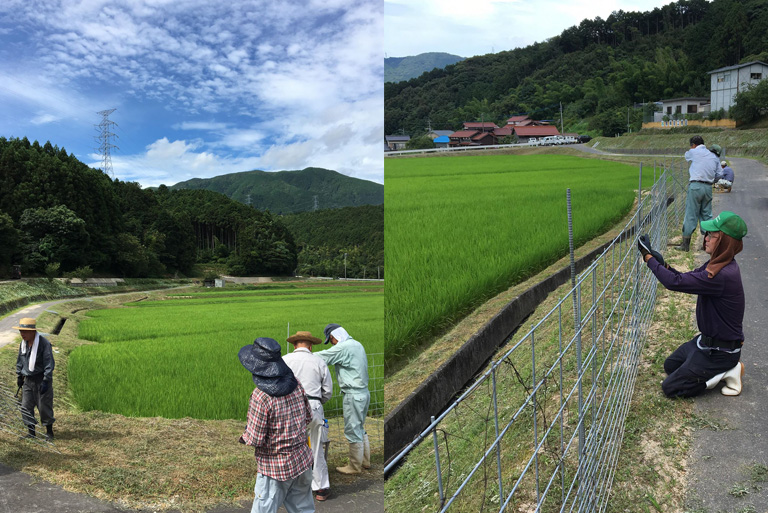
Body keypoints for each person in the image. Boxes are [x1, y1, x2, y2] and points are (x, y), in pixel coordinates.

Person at [637, 211, 748, 398]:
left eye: (711, 235)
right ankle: (707, 367)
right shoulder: (717, 264)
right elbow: (684, 278)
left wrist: (648, 259)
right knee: (670, 365)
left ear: (724, 242)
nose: (705, 238)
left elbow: (674, 283)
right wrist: (662, 264)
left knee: (671, 388)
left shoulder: (721, 275)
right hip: (706, 341)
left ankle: (727, 371)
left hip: (721, 352)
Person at [238, 337, 315, 513]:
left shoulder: (261, 397)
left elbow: (255, 438)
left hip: (275, 467)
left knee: (263, 509)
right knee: (303, 509)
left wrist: (244, 437)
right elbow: (308, 417)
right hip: (302, 461)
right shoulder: (295, 384)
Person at [283, 331, 333, 502]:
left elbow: (278, 385)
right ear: (311, 346)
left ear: (295, 345)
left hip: (290, 406)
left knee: (290, 445)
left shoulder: (285, 360)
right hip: (314, 405)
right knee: (316, 446)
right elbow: (327, 390)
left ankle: (290, 485)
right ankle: (321, 489)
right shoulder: (319, 361)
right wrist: (318, 402)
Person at [316, 324, 370, 474]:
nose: (332, 343)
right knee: (360, 427)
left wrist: (300, 356)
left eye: (331, 340)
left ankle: (354, 466)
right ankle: (365, 462)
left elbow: (321, 357)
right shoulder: (357, 344)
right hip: (364, 393)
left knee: (352, 429)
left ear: (335, 336)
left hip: (353, 394)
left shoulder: (344, 347)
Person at [14, 317, 55, 441]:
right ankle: (31, 432)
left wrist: (46, 381)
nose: (22, 334)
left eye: (25, 331)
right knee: (25, 406)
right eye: (21, 331)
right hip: (28, 380)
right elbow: (20, 361)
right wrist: (19, 375)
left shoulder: (44, 344)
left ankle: (49, 432)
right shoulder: (23, 344)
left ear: (33, 331)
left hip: (41, 379)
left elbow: (49, 363)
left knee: (44, 406)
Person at [678, 135, 720, 251]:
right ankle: (707, 244)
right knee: (706, 215)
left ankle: (685, 245)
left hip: (695, 186)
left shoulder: (693, 152)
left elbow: (687, 156)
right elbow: (720, 174)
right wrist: (711, 180)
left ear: (693, 145)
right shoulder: (714, 156)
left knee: (691, 214)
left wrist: (692, 151)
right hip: (708, 188)